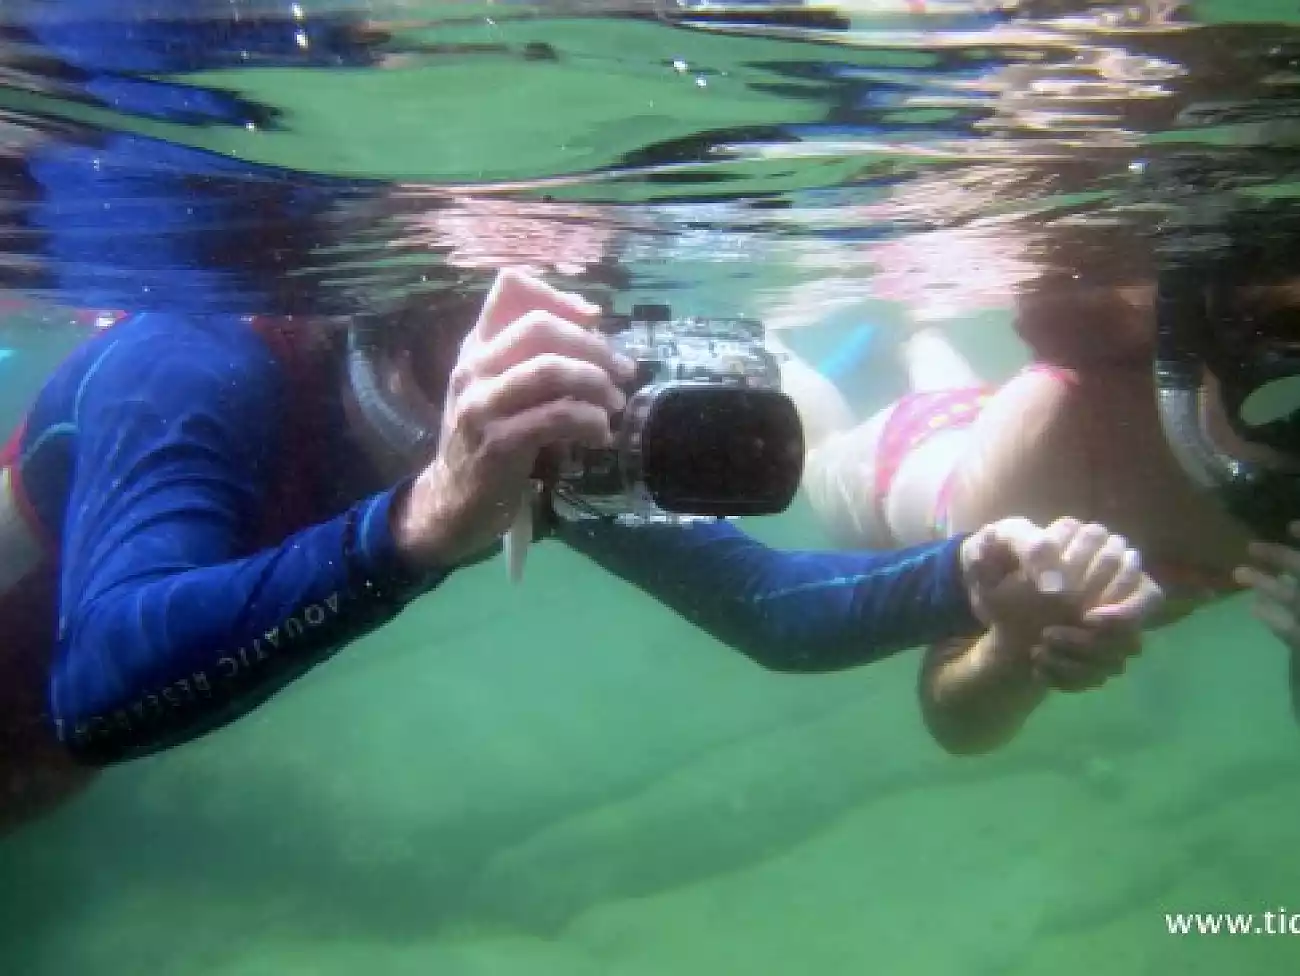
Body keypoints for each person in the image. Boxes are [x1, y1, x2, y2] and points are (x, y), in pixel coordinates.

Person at [0, 265, 1165, 835]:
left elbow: (768, 609)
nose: (538, 357)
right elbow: (100, 687)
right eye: (496, 328)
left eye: (580, 317)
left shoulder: (537, 427)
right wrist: (419, 523)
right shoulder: (195, 359)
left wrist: (963, 579)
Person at [775, 254, 1300, 755]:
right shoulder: (1061, 446)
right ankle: (767, 345)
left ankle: (919, 333)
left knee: (963, 407)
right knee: (821, 453)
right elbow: (958, 727)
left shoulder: (1218, 414)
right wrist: (1012, 649)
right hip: (903, 466)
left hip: (983, 432)